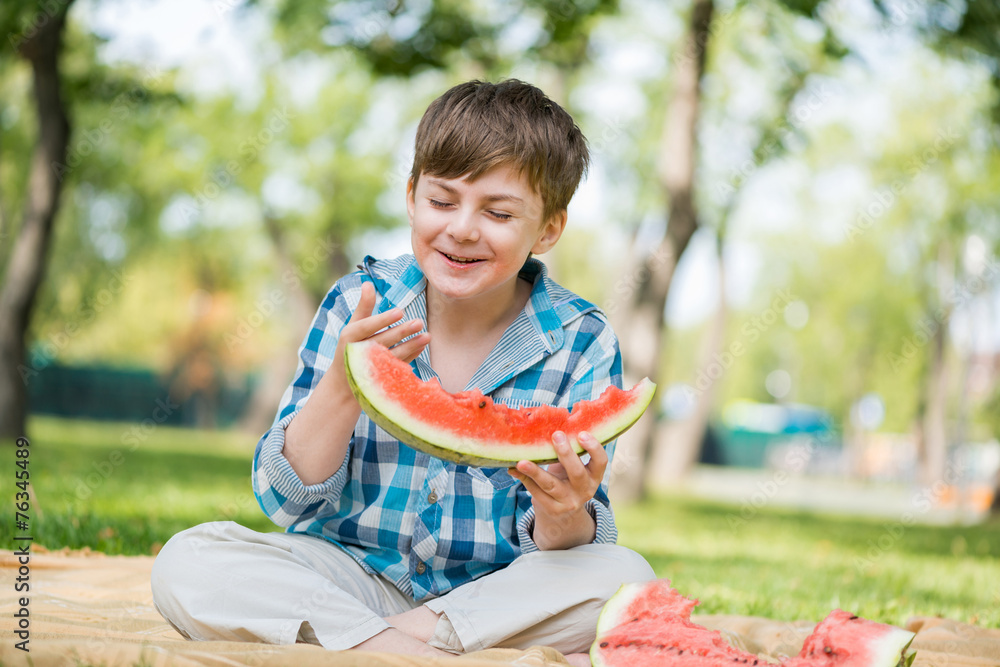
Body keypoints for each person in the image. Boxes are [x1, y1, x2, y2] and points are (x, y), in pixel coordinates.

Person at [151, 79, 655, 666]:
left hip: (490, 597)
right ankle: (411, 652)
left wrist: (564, 512)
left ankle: (370, 645)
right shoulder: (356, 304)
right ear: (412, 196)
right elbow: (285, 505)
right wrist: (343, 388)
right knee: (188, 559)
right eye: (442, 202)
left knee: (625, 576)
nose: (463, 228)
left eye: (497, 212)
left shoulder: (582, 340)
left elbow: (560, 552)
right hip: (346, 574)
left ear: (547, 229)